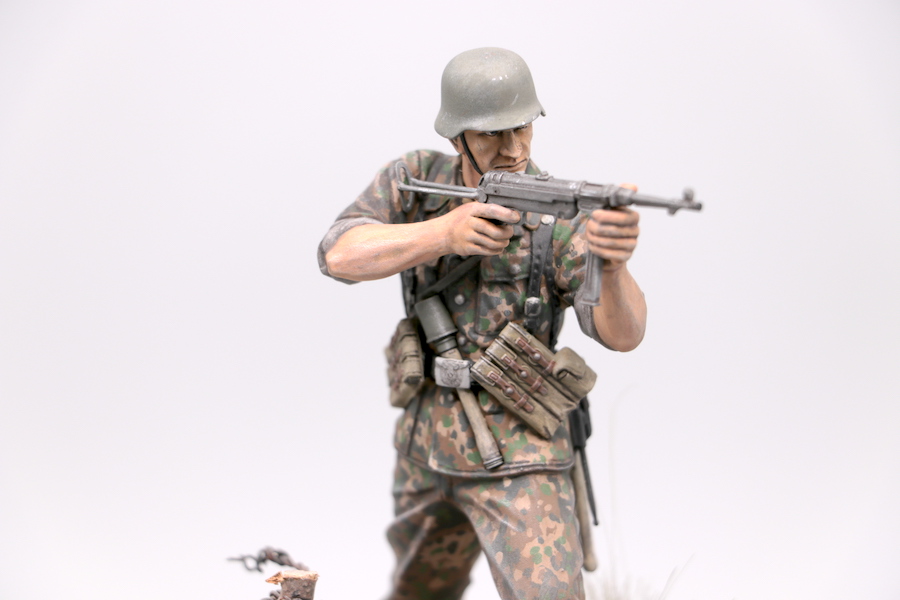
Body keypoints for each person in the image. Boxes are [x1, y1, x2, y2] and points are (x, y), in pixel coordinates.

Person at [318, 47, 646, 600]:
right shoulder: (417, 178)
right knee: (417, 592)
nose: (513, 149)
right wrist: (442, 234)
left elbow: (624, 334)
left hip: (521, 454)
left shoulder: (561, 216)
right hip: (426, 445)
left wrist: (612, 268)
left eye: (523, 127)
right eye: (493, 133)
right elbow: (338, 256)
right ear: (458, 136)